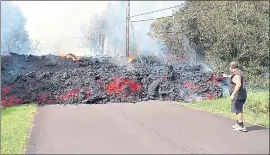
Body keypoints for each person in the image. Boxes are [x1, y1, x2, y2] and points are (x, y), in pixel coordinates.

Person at [223, 61, 247, 132]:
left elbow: (238, 85)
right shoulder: (238, 72)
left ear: (231, 67)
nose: (229, 68)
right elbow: (233, 77)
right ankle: (238, 123)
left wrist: (233, 94)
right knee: (238, 109)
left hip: (238, 95)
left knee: (238, 109)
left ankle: (241, 126)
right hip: (240, 94)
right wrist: (226, 76)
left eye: (229, 67)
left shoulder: (236, 74)